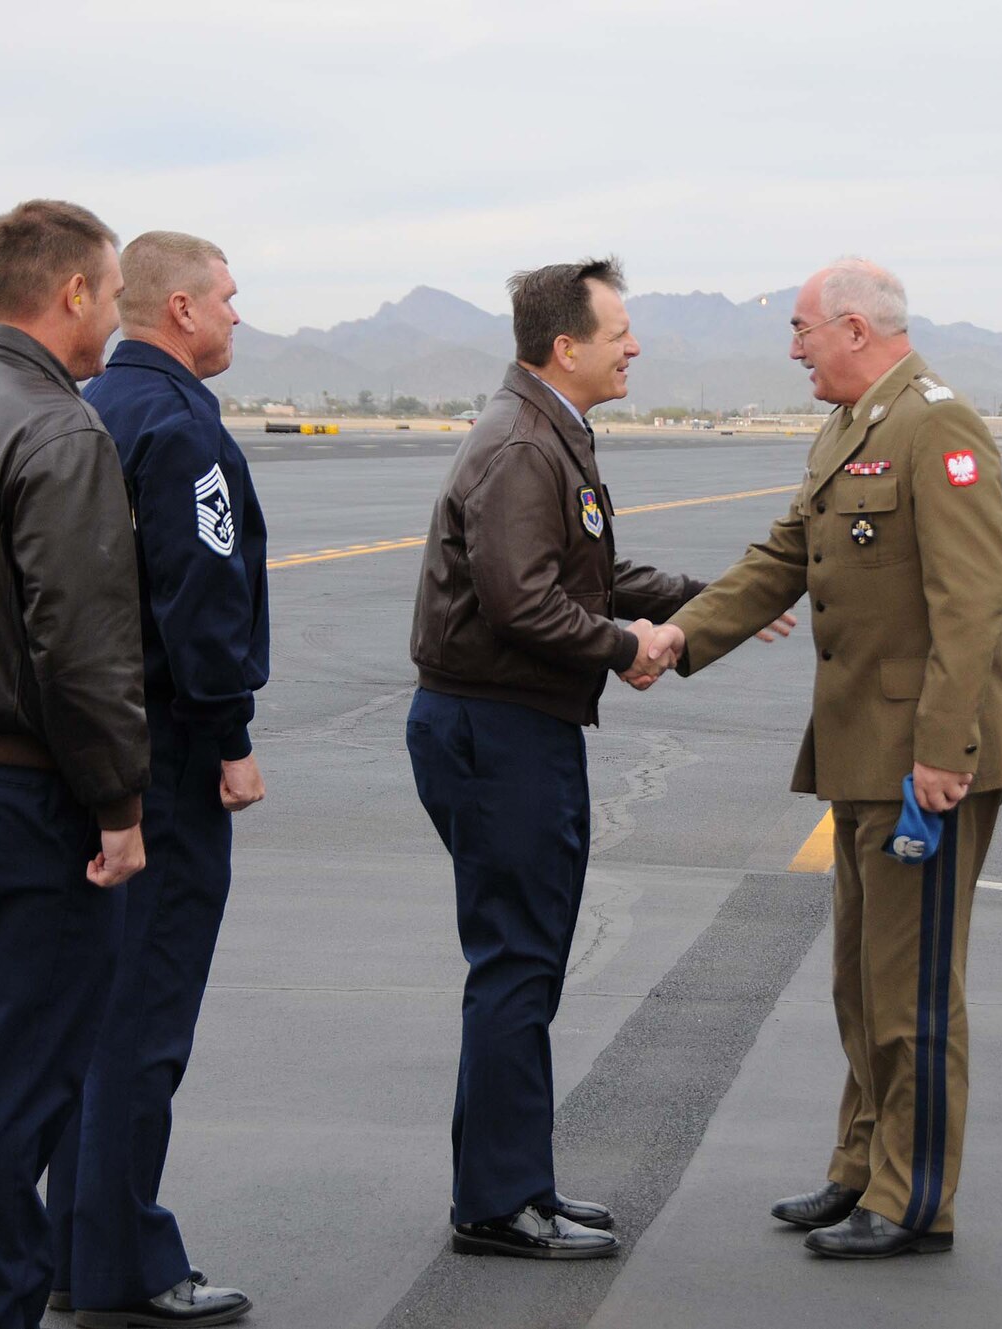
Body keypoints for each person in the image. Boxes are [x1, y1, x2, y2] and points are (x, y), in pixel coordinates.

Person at [647, 257, 1002, 1259]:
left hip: (924, 755)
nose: (791, 349)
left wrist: (945, 751)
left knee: (910, 986)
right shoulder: (851, 426)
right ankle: (860, 1168)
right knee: (860, 981)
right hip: (861, 750)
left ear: (855, 328)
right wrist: (677, 636)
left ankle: (913, 1201)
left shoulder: (935, 424)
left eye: (799, 330)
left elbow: (970, 599)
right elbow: (783, 556)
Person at [406, 257, 709, 1260]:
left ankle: (517, 1183)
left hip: (514, 725)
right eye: (620, 331)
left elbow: (582, 567)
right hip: (495, 731)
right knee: (515, 966)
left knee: (524, 964)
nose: (634, 347)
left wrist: (692, 600)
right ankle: (497, 1205)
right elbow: (522, 601)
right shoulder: (521, 446)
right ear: (564, 346)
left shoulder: (546, 435)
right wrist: (626, 646)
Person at [0, 200, 154, 1327]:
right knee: (21, 1086)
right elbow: (83, 643)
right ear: (70, 296)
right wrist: (119, 803)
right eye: (107, 291)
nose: (112, 312)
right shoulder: (61, 430)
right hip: (28, 797)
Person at [44, 231, 265, 1328]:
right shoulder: (179, 431)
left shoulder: (84, 410)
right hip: (164, 758)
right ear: (179, 309)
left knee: (91, 1016)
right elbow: (202, 598)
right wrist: (229, 737)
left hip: (80, 756)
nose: (235, 316)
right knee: (146, 1019)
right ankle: (124, 1261)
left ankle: (73, 1247)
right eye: (226, 299)